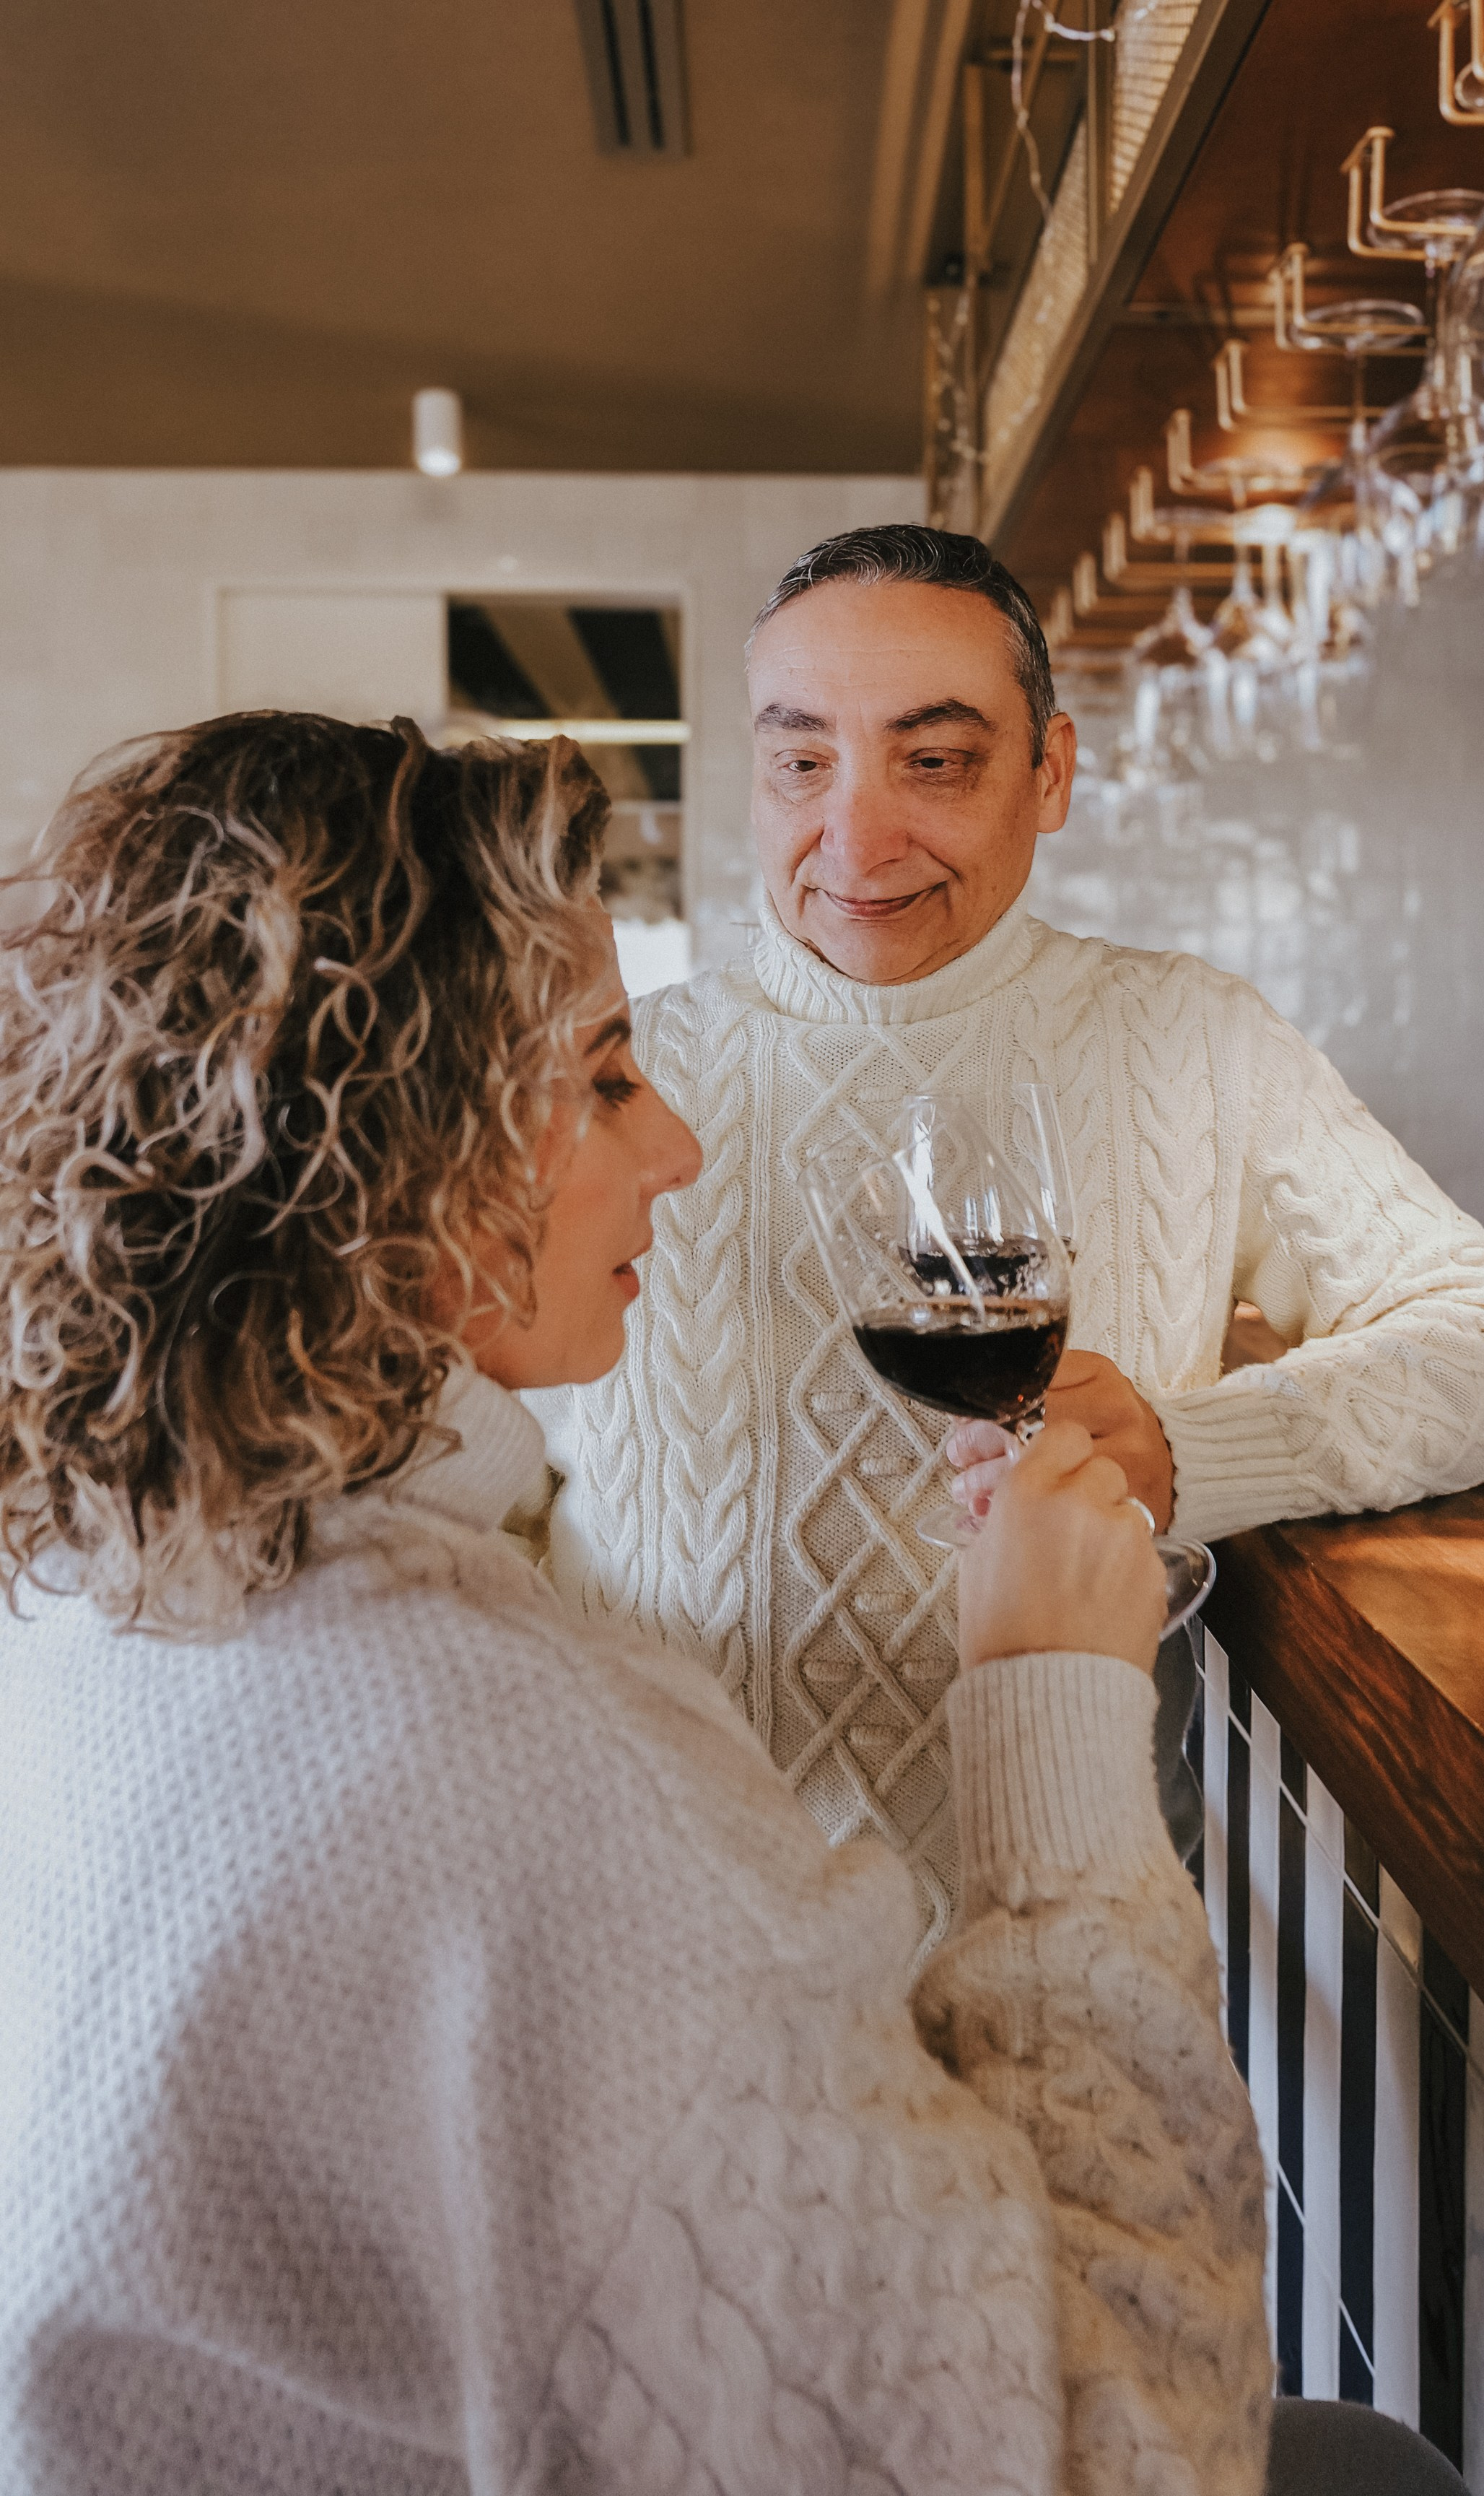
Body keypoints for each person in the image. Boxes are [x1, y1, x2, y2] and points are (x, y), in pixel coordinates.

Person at [0, 713, 1277, 2493]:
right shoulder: (540, 1784)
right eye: (605, 1075)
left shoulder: (84, 1593)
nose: (672, 1144)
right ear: (398, 1143)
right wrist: (1052, 1709)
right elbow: (1129, 2452)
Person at [536, 523, 1484, 1951]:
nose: (856, 838)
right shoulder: (614, 1072)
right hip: (671, 1949)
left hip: (1073, 1943)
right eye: (802, 762)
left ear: (1050, 772)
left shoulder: (1191, 1038)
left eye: (934, 759)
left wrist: (1187, 1451)